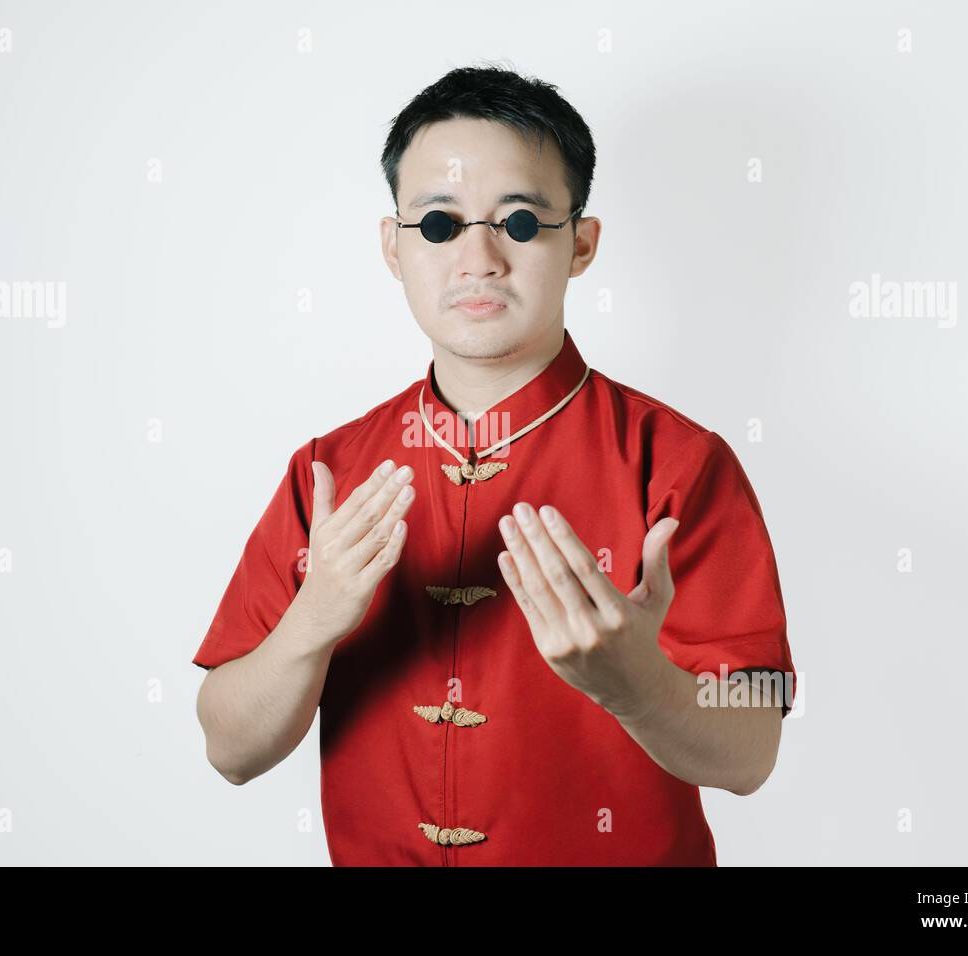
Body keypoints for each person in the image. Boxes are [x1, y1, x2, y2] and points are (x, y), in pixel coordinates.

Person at [193, 64, 797, 866]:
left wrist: (632, 681)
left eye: (518, 222)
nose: (478, 258)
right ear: (393, 247)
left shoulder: (681, 464)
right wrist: (312, 621)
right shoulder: (328, 472)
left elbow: (754, 751)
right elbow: (230, 750)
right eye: (439, 226)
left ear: (580, 244)